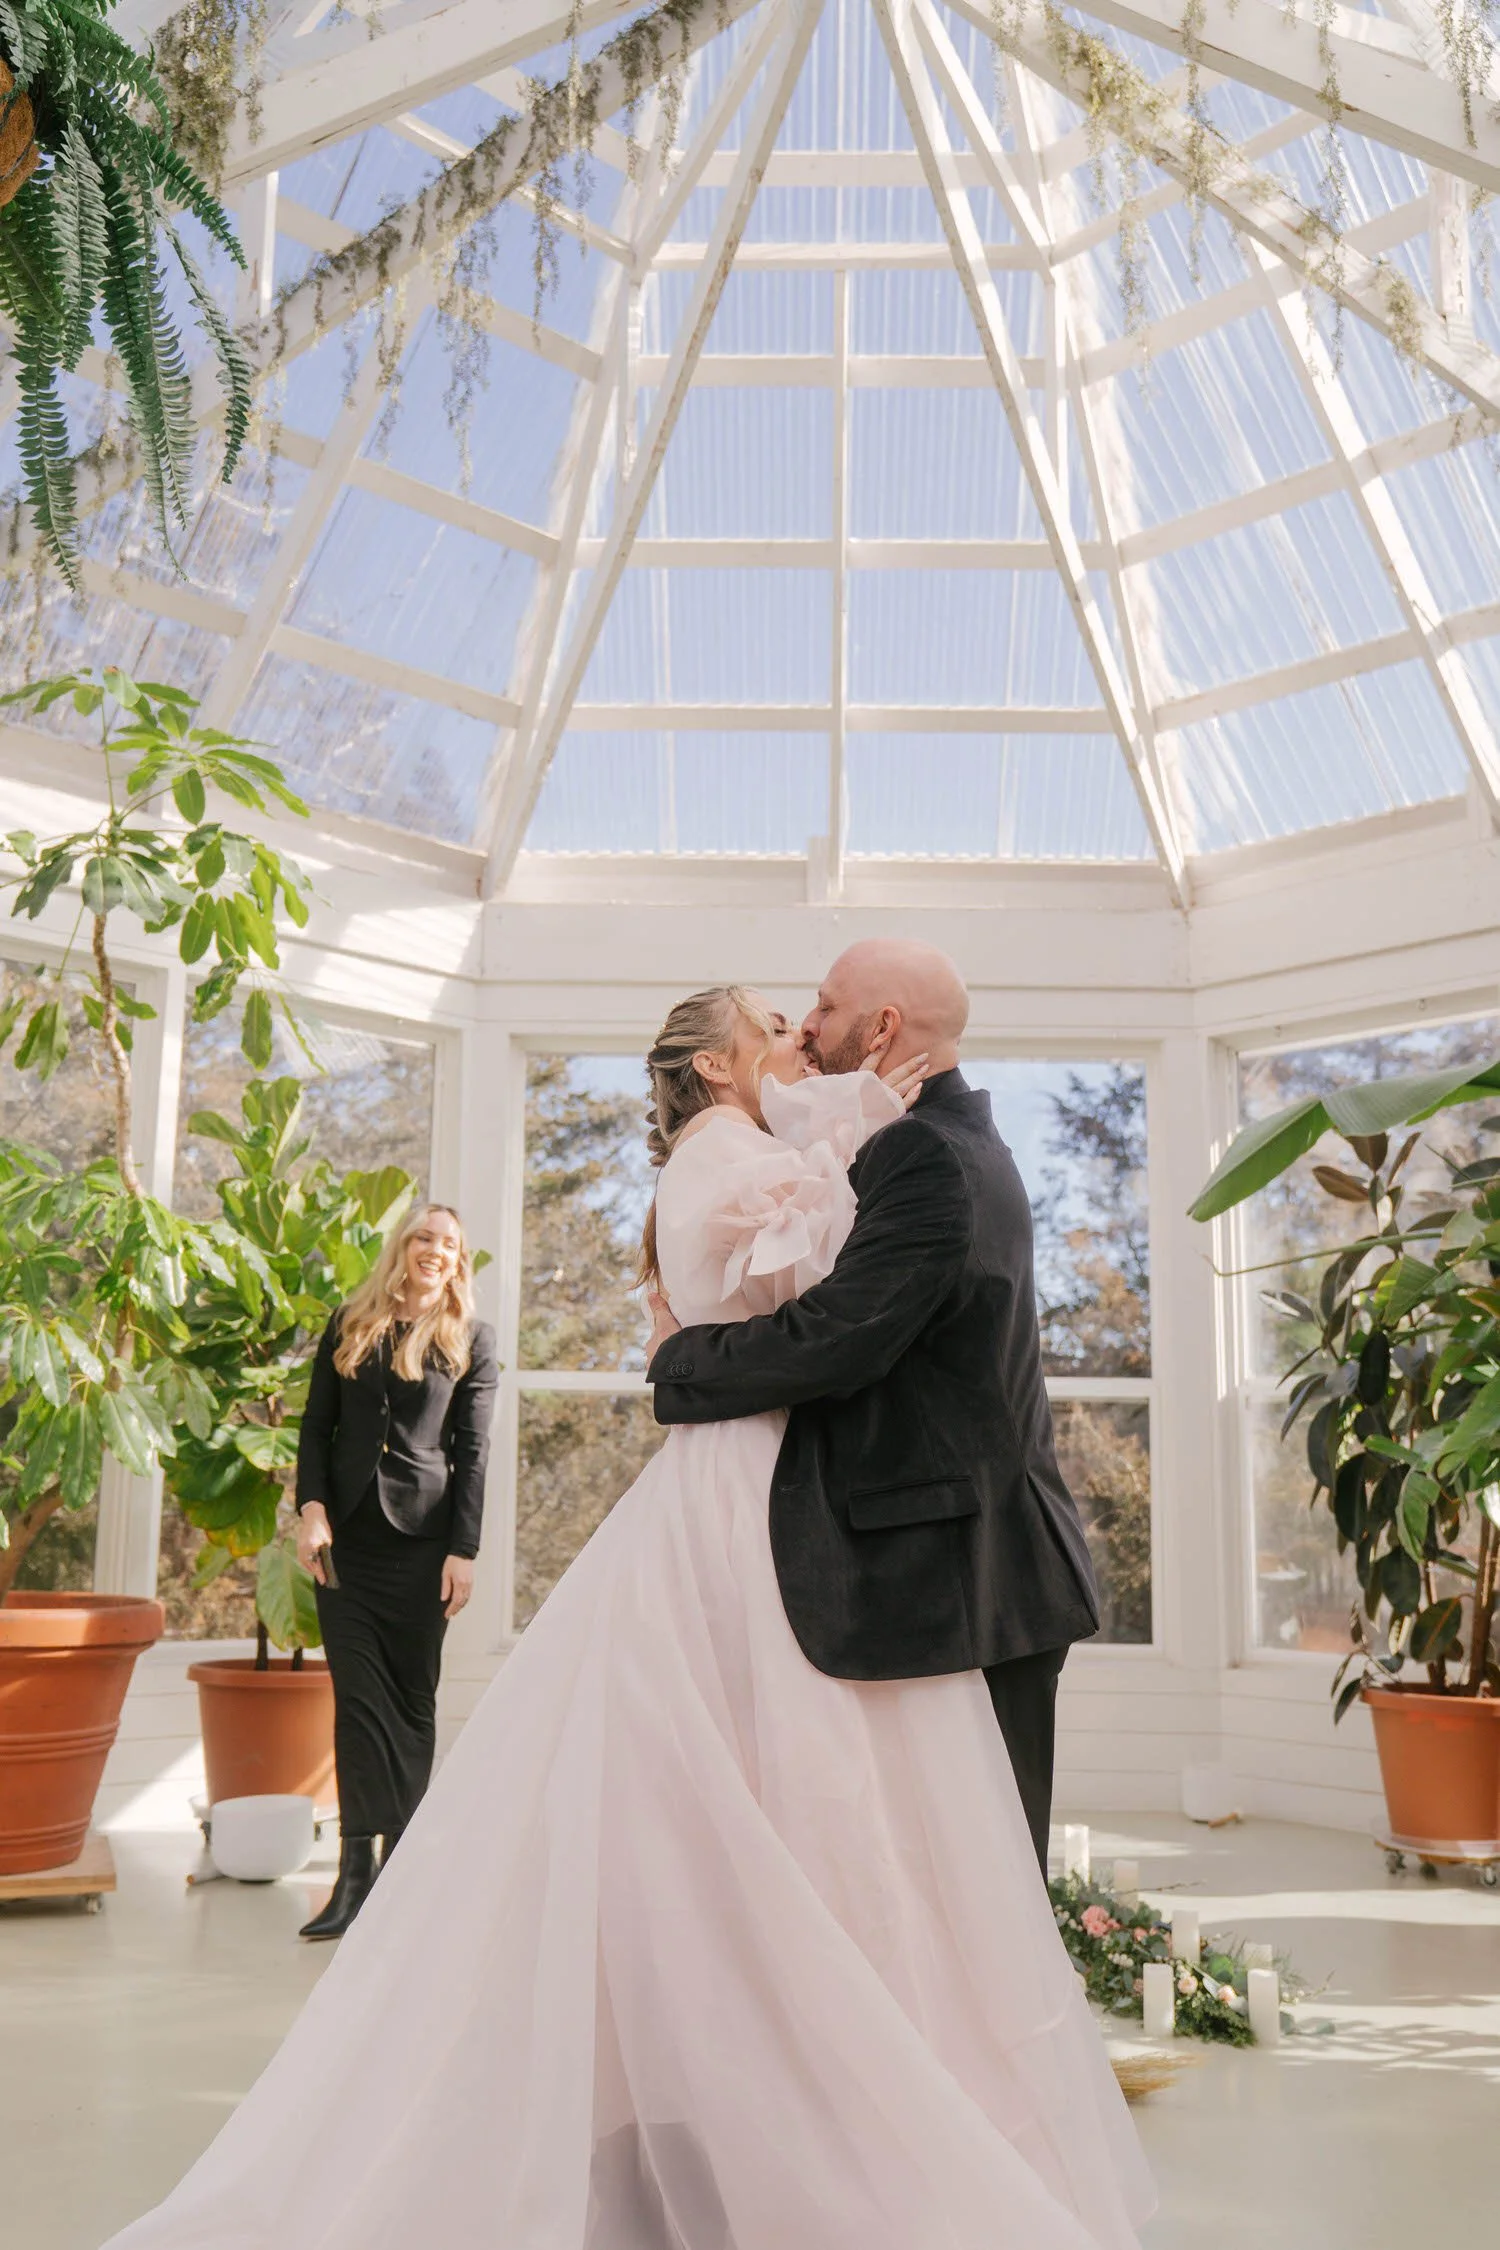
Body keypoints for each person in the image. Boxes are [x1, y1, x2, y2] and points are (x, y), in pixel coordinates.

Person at [102, 987, 1150, 2250]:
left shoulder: (741, 1158)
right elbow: (828, 1314)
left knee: (752, 1796)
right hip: (751, 1496)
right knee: (775, 1796)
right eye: (772, 1019)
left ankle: (770, 2083)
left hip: (763, 1480)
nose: (793, 1033)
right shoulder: (730, 1167)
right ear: (718, 1063)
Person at [647, 940, 1101, 1873]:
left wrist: (676, 1360)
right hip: (951, 1566)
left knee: (984, 1884)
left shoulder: (926, 1155)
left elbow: (839, 1336)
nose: (806, 1029)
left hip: (972, 1573)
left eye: (819, 1006)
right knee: (954, 1889)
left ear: (883, 1026)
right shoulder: (921, 1141)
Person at [292, 1201, 499, 1940]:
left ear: (458, 1259)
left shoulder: (470, 1339)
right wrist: (310, 1509)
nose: (434, 1250)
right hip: (346, 1542)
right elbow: (318, 1425)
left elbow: (473, 1454)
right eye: (423, 1237)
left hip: (423, 1545)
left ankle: (404, 1876)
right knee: (356, 1705)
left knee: (411, 1705)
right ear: (402, 1247)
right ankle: (352, 1880)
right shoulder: (351, 1320)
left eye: (448, 1242)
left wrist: (464, 1551)